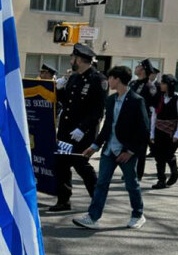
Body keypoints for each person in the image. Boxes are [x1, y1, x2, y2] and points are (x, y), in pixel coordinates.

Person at [72, 65, 149, 230]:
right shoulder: (111, 100)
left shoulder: (136, 101)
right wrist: (94, 146)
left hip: (126, 151)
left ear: (118, 79)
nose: (108, 81)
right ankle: (93, 217)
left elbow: (143, 130)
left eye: (111, 78)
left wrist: (130, 151)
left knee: (131, 183)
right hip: (109, 150)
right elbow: (107, 126)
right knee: (101, 183)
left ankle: (138, 214)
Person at [48, 43, 107, 212]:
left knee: (81, 165)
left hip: (83, 133)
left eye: (73, 58)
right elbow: (66, 102)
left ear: (80, 59)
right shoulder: (73, 78)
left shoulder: (98, 79)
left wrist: (83, 128)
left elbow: (98, 110)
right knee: (61, 164)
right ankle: (63, 200)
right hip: (67, 130)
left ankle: (97, 199)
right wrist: (57, 89)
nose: (71, 60)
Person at [149, 73, 178, 189]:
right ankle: (161, 180)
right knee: (159, 157)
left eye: (163, 83)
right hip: (158, 130)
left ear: (170, 85)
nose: (161, 85)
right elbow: (154, 116)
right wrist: (152, 133)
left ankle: (175, 171)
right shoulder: (158, 98)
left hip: (171, 132)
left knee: (169, 155)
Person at [129, 59, 159, 180]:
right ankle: (129, 170)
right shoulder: (132, 83)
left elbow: (154, 104)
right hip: (130, 120)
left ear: (143, 70)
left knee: (141, 150)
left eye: (138, 66)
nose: (135, 68)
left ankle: (138, 173)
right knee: (128, 147)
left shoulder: (149, 86)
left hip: (142, 122)